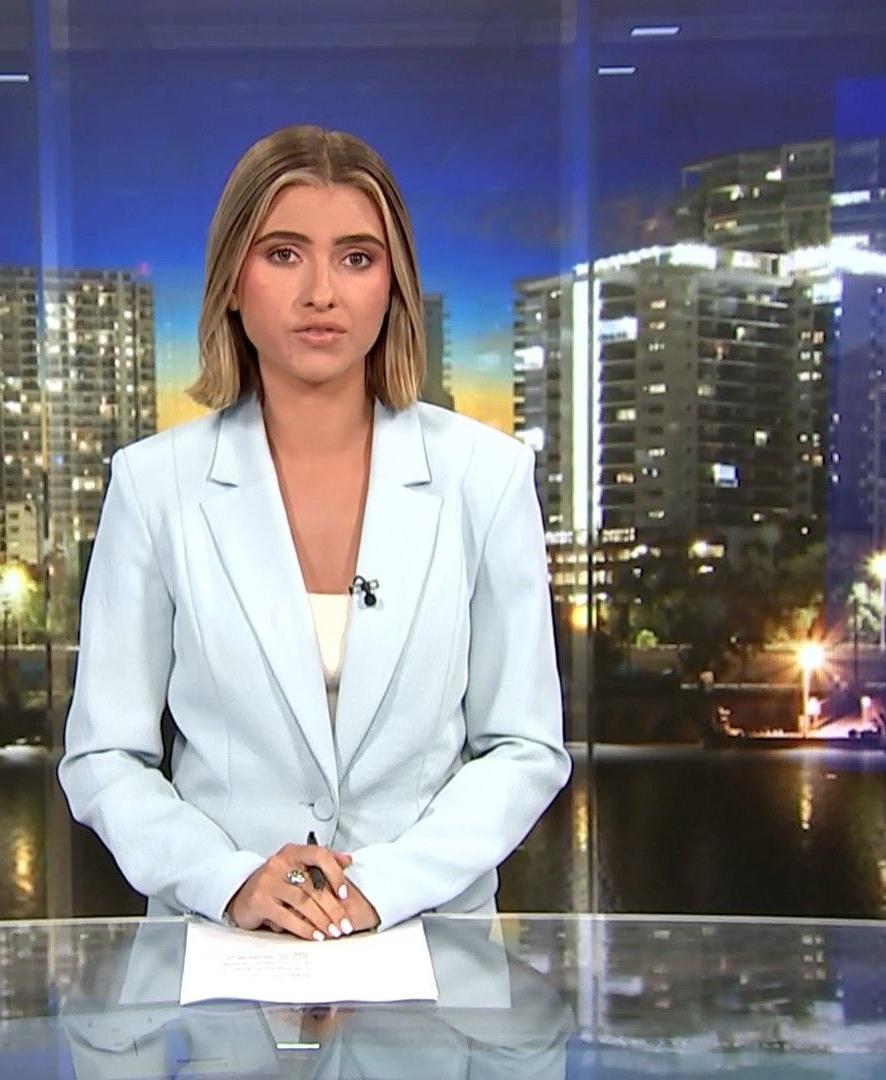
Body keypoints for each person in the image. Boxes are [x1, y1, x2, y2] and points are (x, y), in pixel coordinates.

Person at [57, 123, 570, 940]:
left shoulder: (487, 477)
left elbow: (523, 747)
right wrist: (230, 882)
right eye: (284, 254)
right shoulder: (155, 486)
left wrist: (381, 888)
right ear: (232, 281)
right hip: (223, 950)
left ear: (394, 286)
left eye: (357, 258)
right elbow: (105, 756)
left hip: (429, 946)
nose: (321, 292)